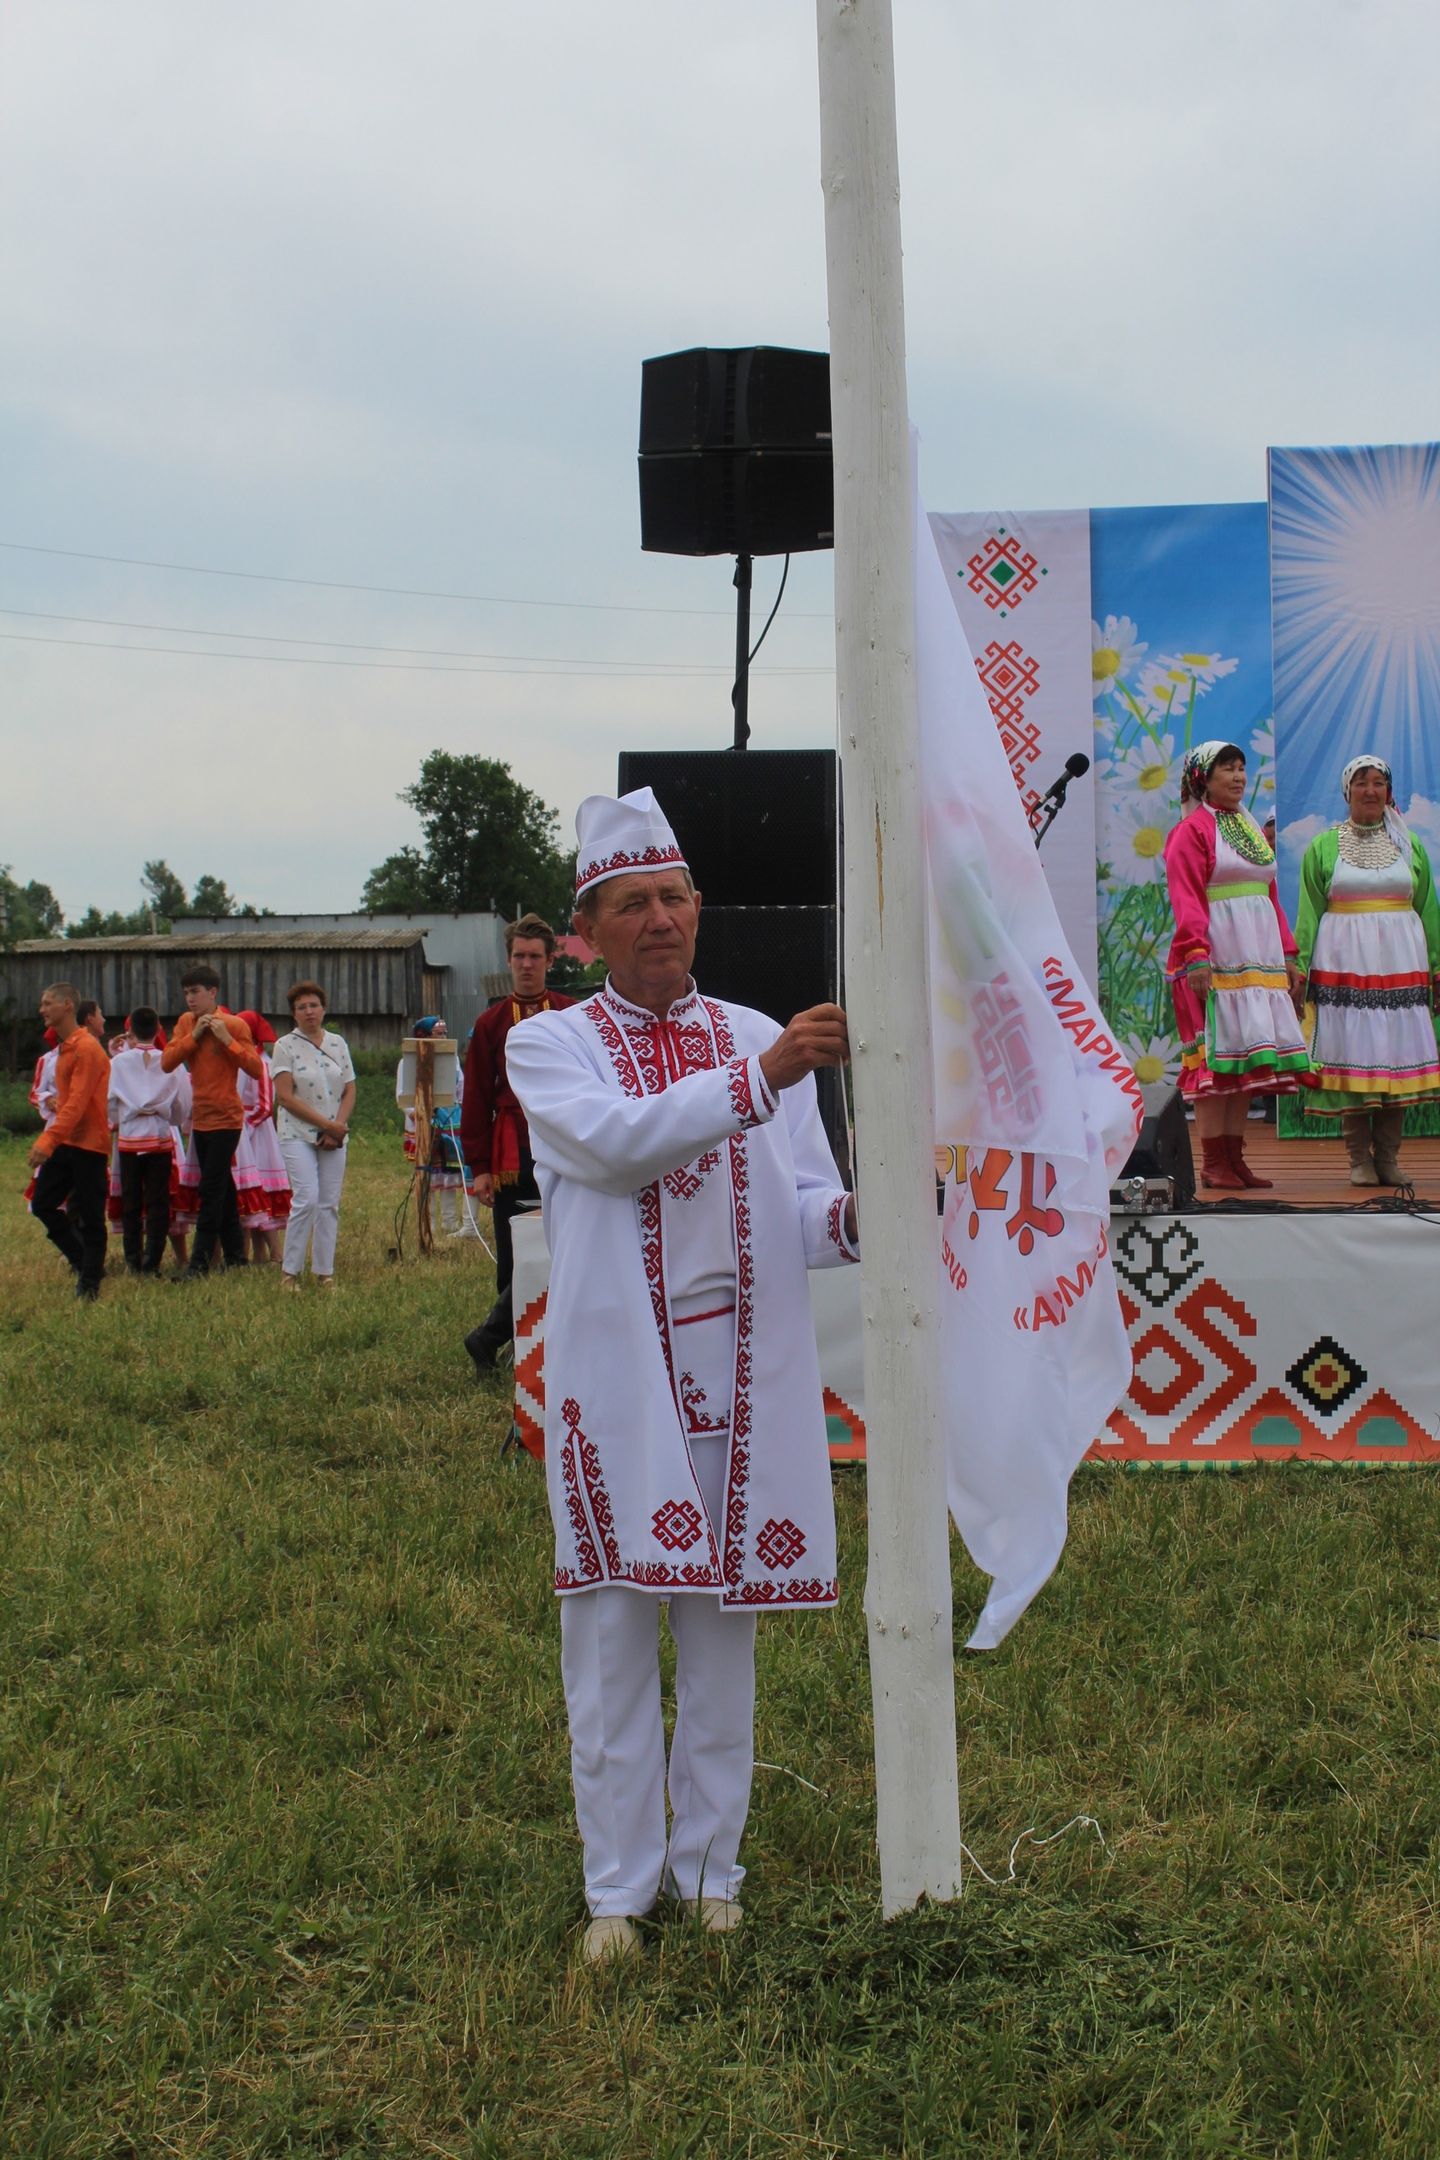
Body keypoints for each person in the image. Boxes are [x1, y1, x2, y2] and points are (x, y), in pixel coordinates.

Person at [508, 788, 858, 1965]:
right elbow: (616, 1145)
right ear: (588, 930)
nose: (658, 918)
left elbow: (798, 1203)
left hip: (741, 1382)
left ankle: (712, 1870)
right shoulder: (545, 1046)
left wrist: (862, 1218)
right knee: (610, 1639)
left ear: (700, 911)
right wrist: (761, 1078)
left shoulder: (758, 1033)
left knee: (722, 1641)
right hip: (619, 1391)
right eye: (631, 903)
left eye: (673, 897)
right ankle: (619, 1891)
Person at [1163, 741, 1309, 1190]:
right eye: (1227, 769)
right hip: (1217, 957)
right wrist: (1195, 955)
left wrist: (1287, 954)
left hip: (1257, 960)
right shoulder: (1192, 831)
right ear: (1202, 778)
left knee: (1243, 1062)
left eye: (1242, 768)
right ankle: (1213, 1162)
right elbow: (1186, 896)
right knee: (1216, 1066)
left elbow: (1270, 896)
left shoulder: (1247, 827)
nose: (1238, 776)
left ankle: (1234, 1158)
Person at [1294, 754, 1440, 1186]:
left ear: (1389, 792)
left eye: (1379, 783)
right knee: (1352, 1053)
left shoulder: (1409, 845)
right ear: (1347, 791)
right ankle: (1359, 1158)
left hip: (1401, 965)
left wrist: (1437, 966)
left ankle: (1389, 1158)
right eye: (1362, 783)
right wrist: (1298, 966)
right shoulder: (1323, 845)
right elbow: (1309, 912)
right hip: (1344, 965)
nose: (1371, 791)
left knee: (1395, 1054)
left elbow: (1427, 907)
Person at [459, 912, 576, 1375]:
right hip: (511, 1151)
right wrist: (480, 1166)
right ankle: (510, 1345)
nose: (526, 965)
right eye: (518, 956)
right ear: (509, 961)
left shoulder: (572, 1013)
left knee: (566, 1243)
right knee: (514, 1250)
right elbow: (476, 1098)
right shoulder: (489, 1024)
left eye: (535, 957)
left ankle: (543, 1340)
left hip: (565, 1143)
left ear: (550, 960)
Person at [161, 966, 264, 1276]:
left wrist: (225, 1039)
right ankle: (235, 1258)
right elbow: (167, 1063)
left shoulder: (232, 1025)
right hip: (200, 1120)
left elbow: (256, 1069)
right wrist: (193, 1037)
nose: (190, 999)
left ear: (212, 993)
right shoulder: (184, 1023)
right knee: (223, 1190)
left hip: (227, 1120)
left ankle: (199, 1264)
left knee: (210, 1189)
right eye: (187, 993)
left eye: (196, 992)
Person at [27, 982, 112, 1300]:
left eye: (47, 1003)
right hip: (67, 1140)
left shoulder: (87, 1048)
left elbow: (76, 1103)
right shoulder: (65, 1049)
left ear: (66, 1006)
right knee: (43, 1204)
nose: (42, 1009)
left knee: (91, 1215)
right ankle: (84, 1263)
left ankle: (89, 1284)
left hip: (89, 1144)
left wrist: (47, 1142)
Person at [272, 980, 356, 1289]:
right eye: (302, 1007)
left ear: (323, 1009)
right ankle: (290, 1272)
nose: (309, 1012)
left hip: (335, 1132)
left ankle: (324, 1272)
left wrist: (337, 1127)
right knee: (306, 1197)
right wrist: (326, 1124)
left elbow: (349, 1087)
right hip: (297, 1132)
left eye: (313, 1005)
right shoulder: (284, 1046)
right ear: (294, 1014)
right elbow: (285, 1097)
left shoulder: (337, 1043)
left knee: (328, 1202)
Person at [107, 1006, 187, 1273]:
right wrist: (172, 1119)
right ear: (157, 1031)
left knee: (131, 1199)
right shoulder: (169, 1060)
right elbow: (181, 1103)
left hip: (129, 1136)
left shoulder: (117, 1062)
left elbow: (108, 1102)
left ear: (130, 1031)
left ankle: (133, 1259)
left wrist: (119, 1119)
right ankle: (152, 1260)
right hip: (159, 1134)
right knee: (158, 1200)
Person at [398, 1017, 472, 1237]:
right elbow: (403, 1094)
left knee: (449, 1171)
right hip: (422, 1121)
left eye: (445, 1033)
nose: (444, 1037)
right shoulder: (408, 1061)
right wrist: (418, 1113)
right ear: (425, 1035)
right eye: (439, 1033)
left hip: (449, 1120)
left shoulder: (452, 1059)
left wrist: (460, 1109)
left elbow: (461, 1089)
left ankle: (449, 1222)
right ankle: (426, 1220)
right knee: (426, 1172)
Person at [233, 1011, 293, 1262]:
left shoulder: (263, 1063)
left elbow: (265, 1105)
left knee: (261, 1193)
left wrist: (243, 1126)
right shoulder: (241, 1060)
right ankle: (255, 1253)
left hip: (256, 1134)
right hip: (242, 1131)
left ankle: (276, 1253)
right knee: (248, 1196)